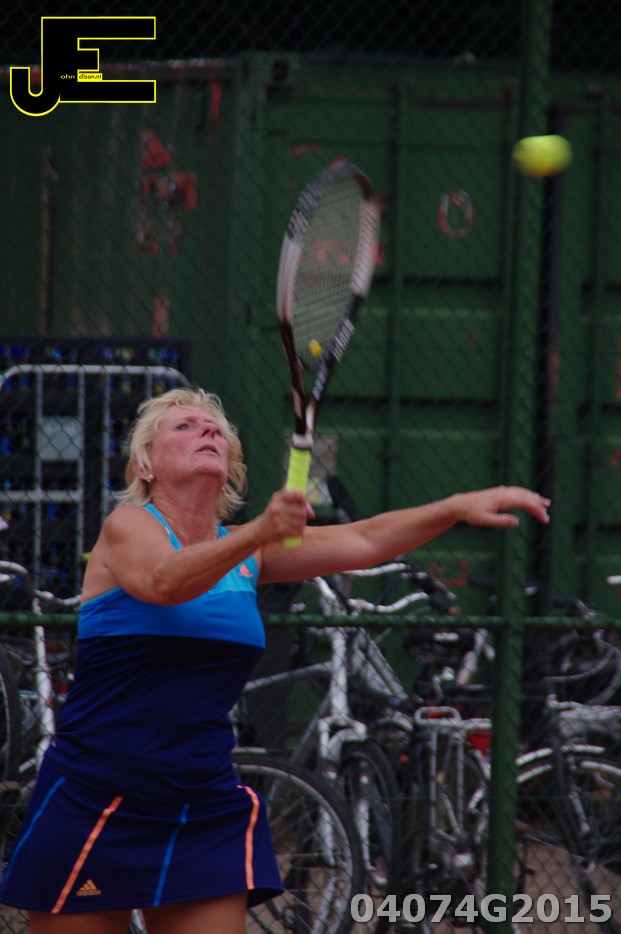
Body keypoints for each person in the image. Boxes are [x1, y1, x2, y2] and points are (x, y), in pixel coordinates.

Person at [0, 387, 551, 934]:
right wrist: (261, 533)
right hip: (98, 792)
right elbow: (164, 581)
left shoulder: (247, 550)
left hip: (201, 799)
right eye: (185, 426)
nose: (207, 430)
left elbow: (364, 538)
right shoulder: (130, 527)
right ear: (145, 465)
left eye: (215, 429)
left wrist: (454, 508)